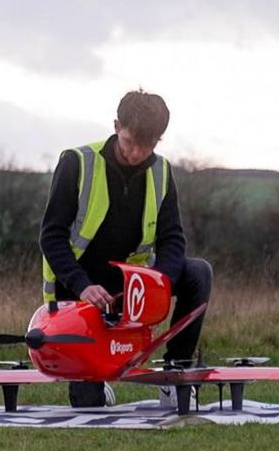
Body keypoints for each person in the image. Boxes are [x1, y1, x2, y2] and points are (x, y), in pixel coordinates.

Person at [39, 90, 212, 407]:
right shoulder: (76, 162)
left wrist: (158, 283)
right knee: (87, 407)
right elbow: (51, 237)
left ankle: (175, 374)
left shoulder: (161, 170)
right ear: (117, 126)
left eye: (148, 145)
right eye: (131, 142)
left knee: (198, 272)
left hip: (130, 283)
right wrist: (83, 287)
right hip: (79, 289)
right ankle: (97, 384)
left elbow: (172, 238)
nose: (138, 153)